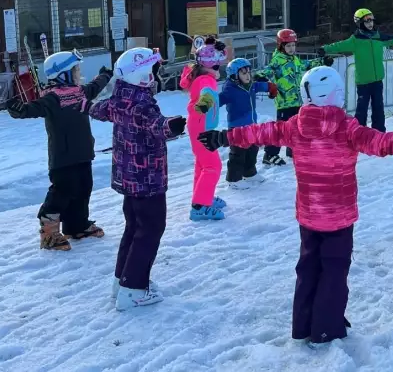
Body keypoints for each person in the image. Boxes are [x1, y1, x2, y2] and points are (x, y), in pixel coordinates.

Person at [199, 66, 393, 345]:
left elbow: (260, 132)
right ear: (335, 94)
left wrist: (223, 137)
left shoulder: (294, 126)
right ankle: (325, 328)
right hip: (338, 217)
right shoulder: (346, 127)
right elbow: (379, 142)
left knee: (308, 268)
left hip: (309, 215)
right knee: (334, 271)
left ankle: (304, 325)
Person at [89, 48, 186, 311]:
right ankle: (132, 290)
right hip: (147, 179)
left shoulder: (120, 96)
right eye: (153, 70)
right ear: (142, 75)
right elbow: (157, 126)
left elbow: (100, 110)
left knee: (134, 227)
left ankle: (123, 281)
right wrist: (174, 125)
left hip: (128, 178)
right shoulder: (142, 102)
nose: (156, 75)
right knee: (151, 229)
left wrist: (87, 106)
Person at [7, 50, 113, 251]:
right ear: (63, 74)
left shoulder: (80, 92)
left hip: (83, 153)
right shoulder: (52, 98)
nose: (78, 74)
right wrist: (19, 109)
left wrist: (105, 75)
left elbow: (95, 87)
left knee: (83, 188)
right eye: (75, 70)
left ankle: (77, 225)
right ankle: (49, 230)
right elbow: (33, 109)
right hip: (63, 157)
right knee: (63, 191)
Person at [319, 8, 393, 132]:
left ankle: (379, 132)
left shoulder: (379, 38)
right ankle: (358, 132)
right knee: (362, 109)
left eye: (371, 20)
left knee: (378, 108)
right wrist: (325, 49)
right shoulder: (355, 40)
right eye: (367, 21)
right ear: (360, 23)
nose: (370, 23)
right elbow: (339, 45)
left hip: (377, 81)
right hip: (363, 82)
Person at [253, 29, 331, 166]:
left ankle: (293, 150)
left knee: (298, 127)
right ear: (281, 46)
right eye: (288, 46)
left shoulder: (294, 59)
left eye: (293, 45)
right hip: (284, 102)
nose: (291, 48)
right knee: (281, 130)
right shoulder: (278, 60)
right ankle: (269, 154)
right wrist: (261, 75)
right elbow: (269, 70)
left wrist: (322, 61)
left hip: (297, 100)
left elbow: (306, 65)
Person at [181, 37, 228, 221]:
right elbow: (206, 94)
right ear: (209, 66)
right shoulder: (206, 80)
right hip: (202, 127)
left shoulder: (200, 76)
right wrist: (204, 104)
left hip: (198, 125)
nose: (219, 70)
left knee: (203, 164)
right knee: (212, 165)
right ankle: (200, 206)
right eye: (217, 66)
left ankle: (202, 197)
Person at [220, 58, 277, 189]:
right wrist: (209, 102)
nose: (248, 75)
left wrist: (270, 87)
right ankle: (234, 179)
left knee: (252, 149)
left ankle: (249, 173)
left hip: (251, 124)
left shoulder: (250, 85)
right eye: (244, 73)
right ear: (235, 75)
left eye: (249, 72)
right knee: (238, 153)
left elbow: (258, 85)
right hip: (237, 127)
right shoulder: (230, 89)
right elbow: (220, 99)